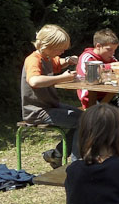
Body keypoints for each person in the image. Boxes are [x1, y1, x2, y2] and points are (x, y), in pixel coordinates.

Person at [21, 24, 81, 168]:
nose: (63, 51)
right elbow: (34, 81)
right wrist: (61, 78)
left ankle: (57, 155)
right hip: (37, 111)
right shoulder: (33, 59)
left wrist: (67, 60)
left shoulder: (47, 57)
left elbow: (57, 63)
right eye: (60, 48)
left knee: (86, 118)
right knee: (84, 122)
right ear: (47, 45)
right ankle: (77, 164)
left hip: (50, 106)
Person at [76, 28, 119, 109]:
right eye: (109, 49)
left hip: (109, 95)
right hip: (90, 98)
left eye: (114, 50)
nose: (113, 53)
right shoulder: (87, 57)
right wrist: (111, 66)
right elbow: (87, 74)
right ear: (98, 46)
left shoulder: (110, 57)